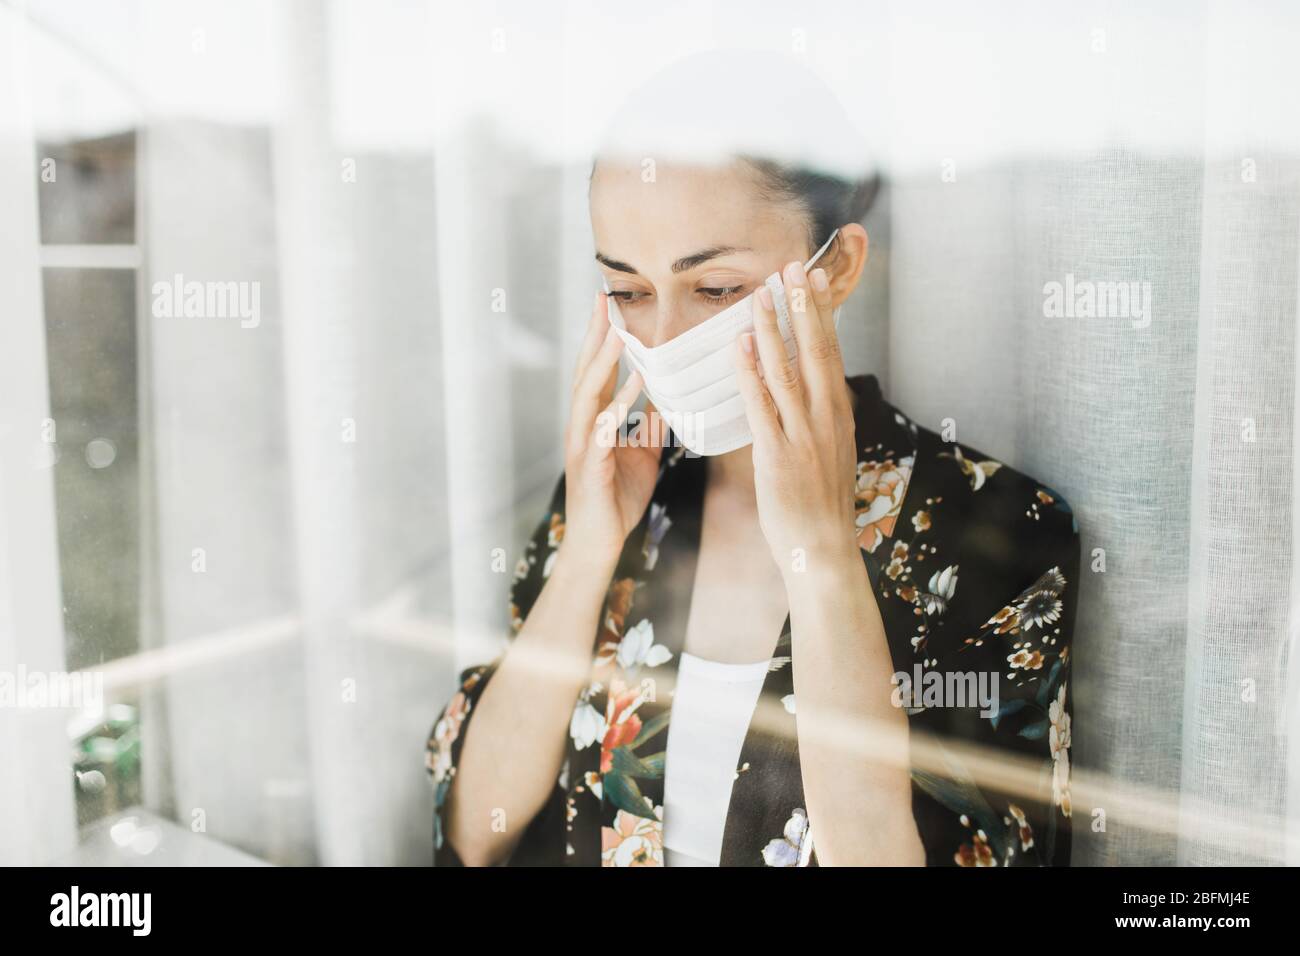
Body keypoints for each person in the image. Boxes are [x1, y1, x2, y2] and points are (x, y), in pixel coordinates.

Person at [425, 49, 1079, 867]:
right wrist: (589, 550)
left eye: (715, 289)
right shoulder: (620, 497)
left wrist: (825, 563)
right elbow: (473, 833)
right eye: (627, 289)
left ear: (834, 267)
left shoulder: (999, 530)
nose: (660, 339)